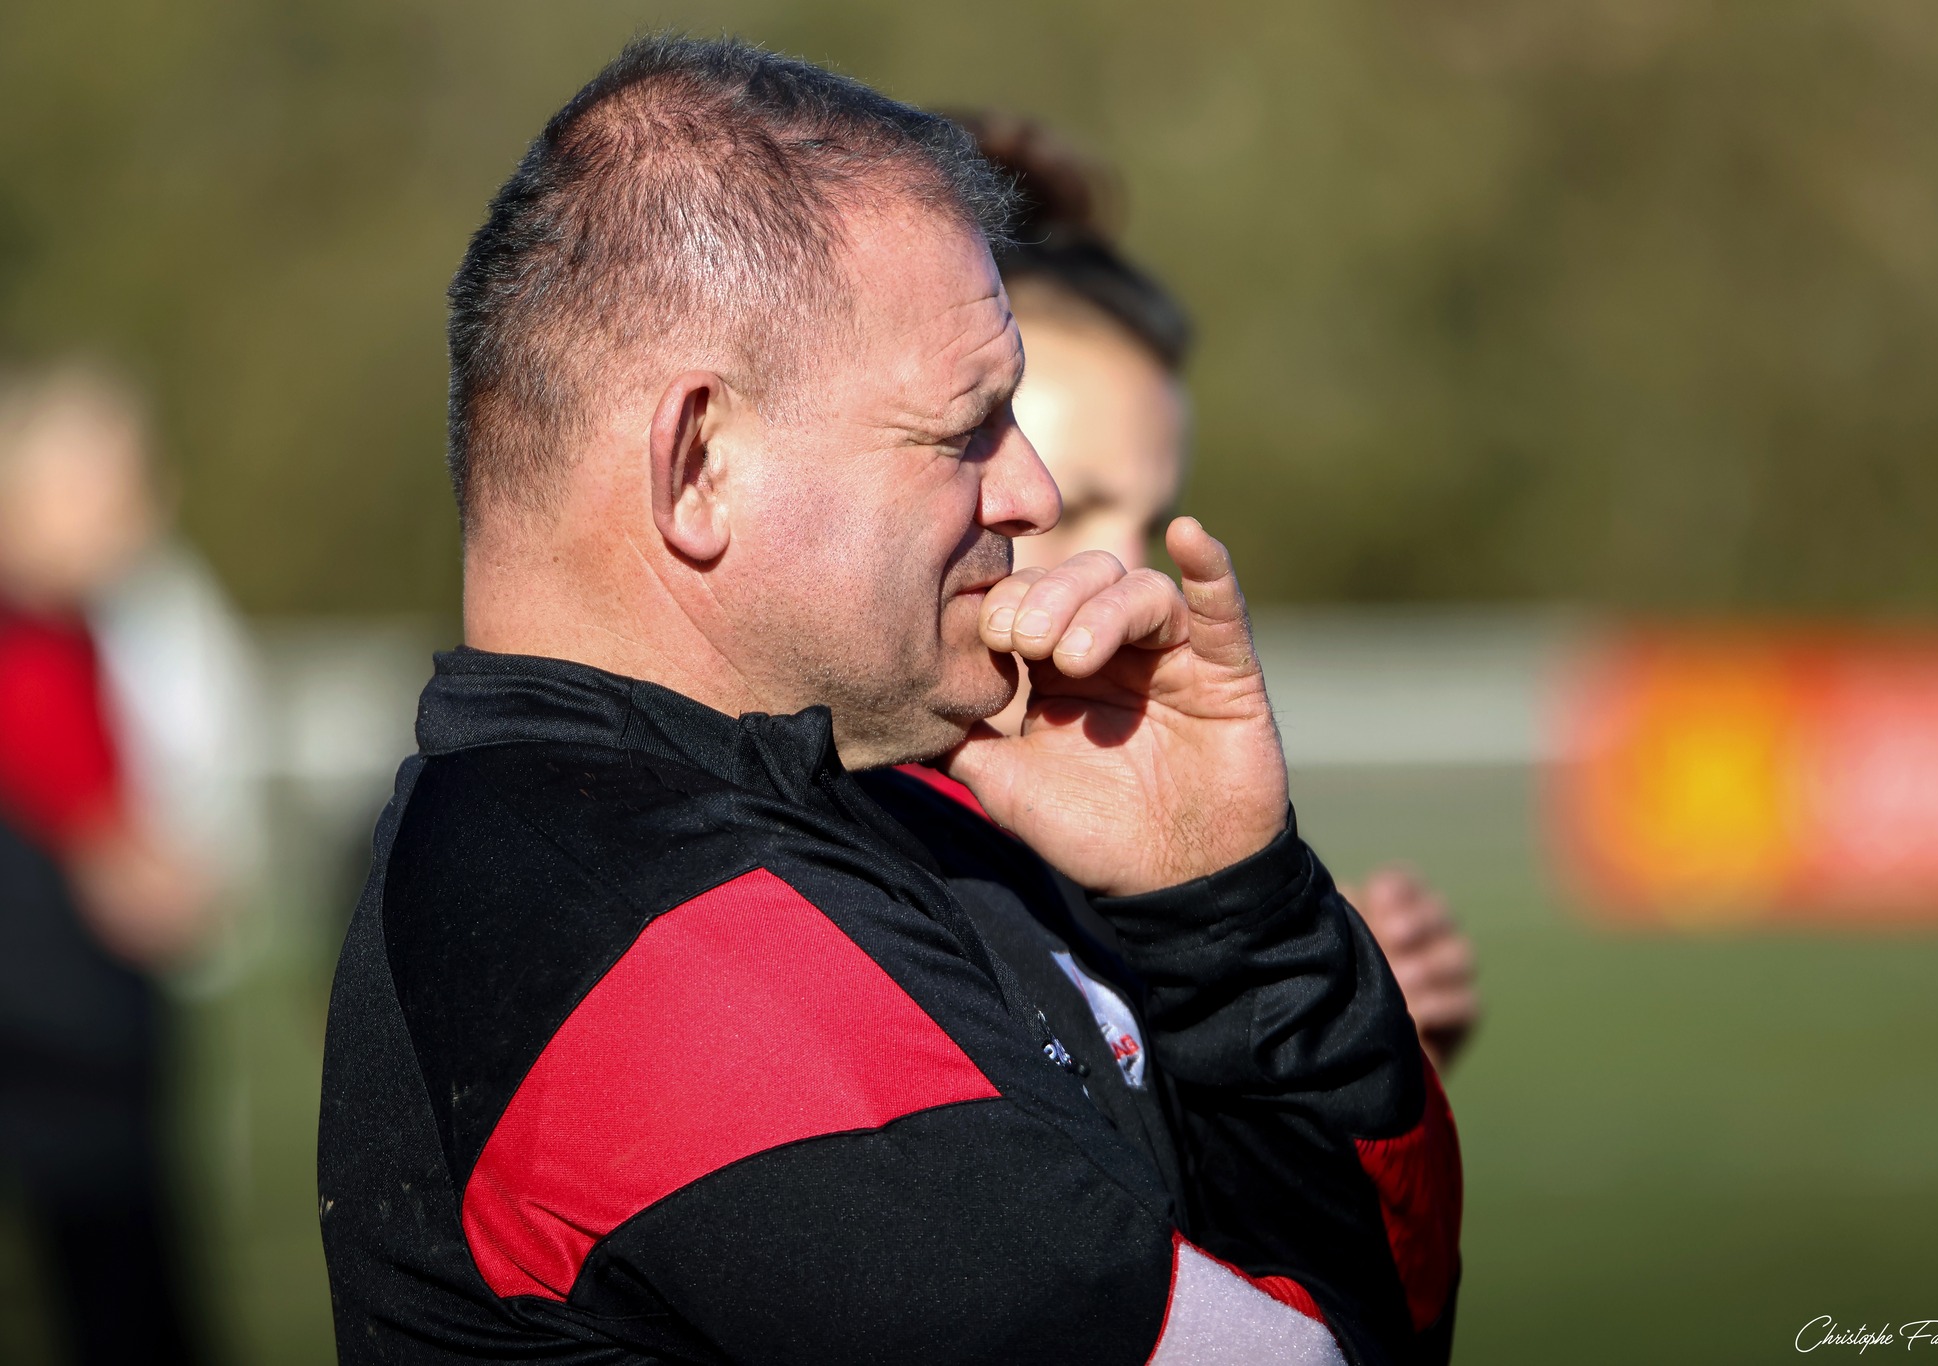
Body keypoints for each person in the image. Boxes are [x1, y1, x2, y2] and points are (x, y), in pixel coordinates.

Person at [318, 37, 1458, 1365]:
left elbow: (1374, 1300)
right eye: (965, 427)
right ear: (699, 465)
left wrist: (1225, 908)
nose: (1031, 492)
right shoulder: (649, 943)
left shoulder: (882, 808)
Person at [922, 112, 1481, 1074]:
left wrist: (1314, 1018)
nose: (1126, 574)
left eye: (1147, 521)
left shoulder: (1110, 855)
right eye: (1068, 507)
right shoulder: (832, 868)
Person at [0, 363, 210, 1365]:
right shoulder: (29, 650)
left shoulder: (75, 633)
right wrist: (166, 887)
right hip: (64, 1045)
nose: (146, 508)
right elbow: (111, 861)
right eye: (115, 484)